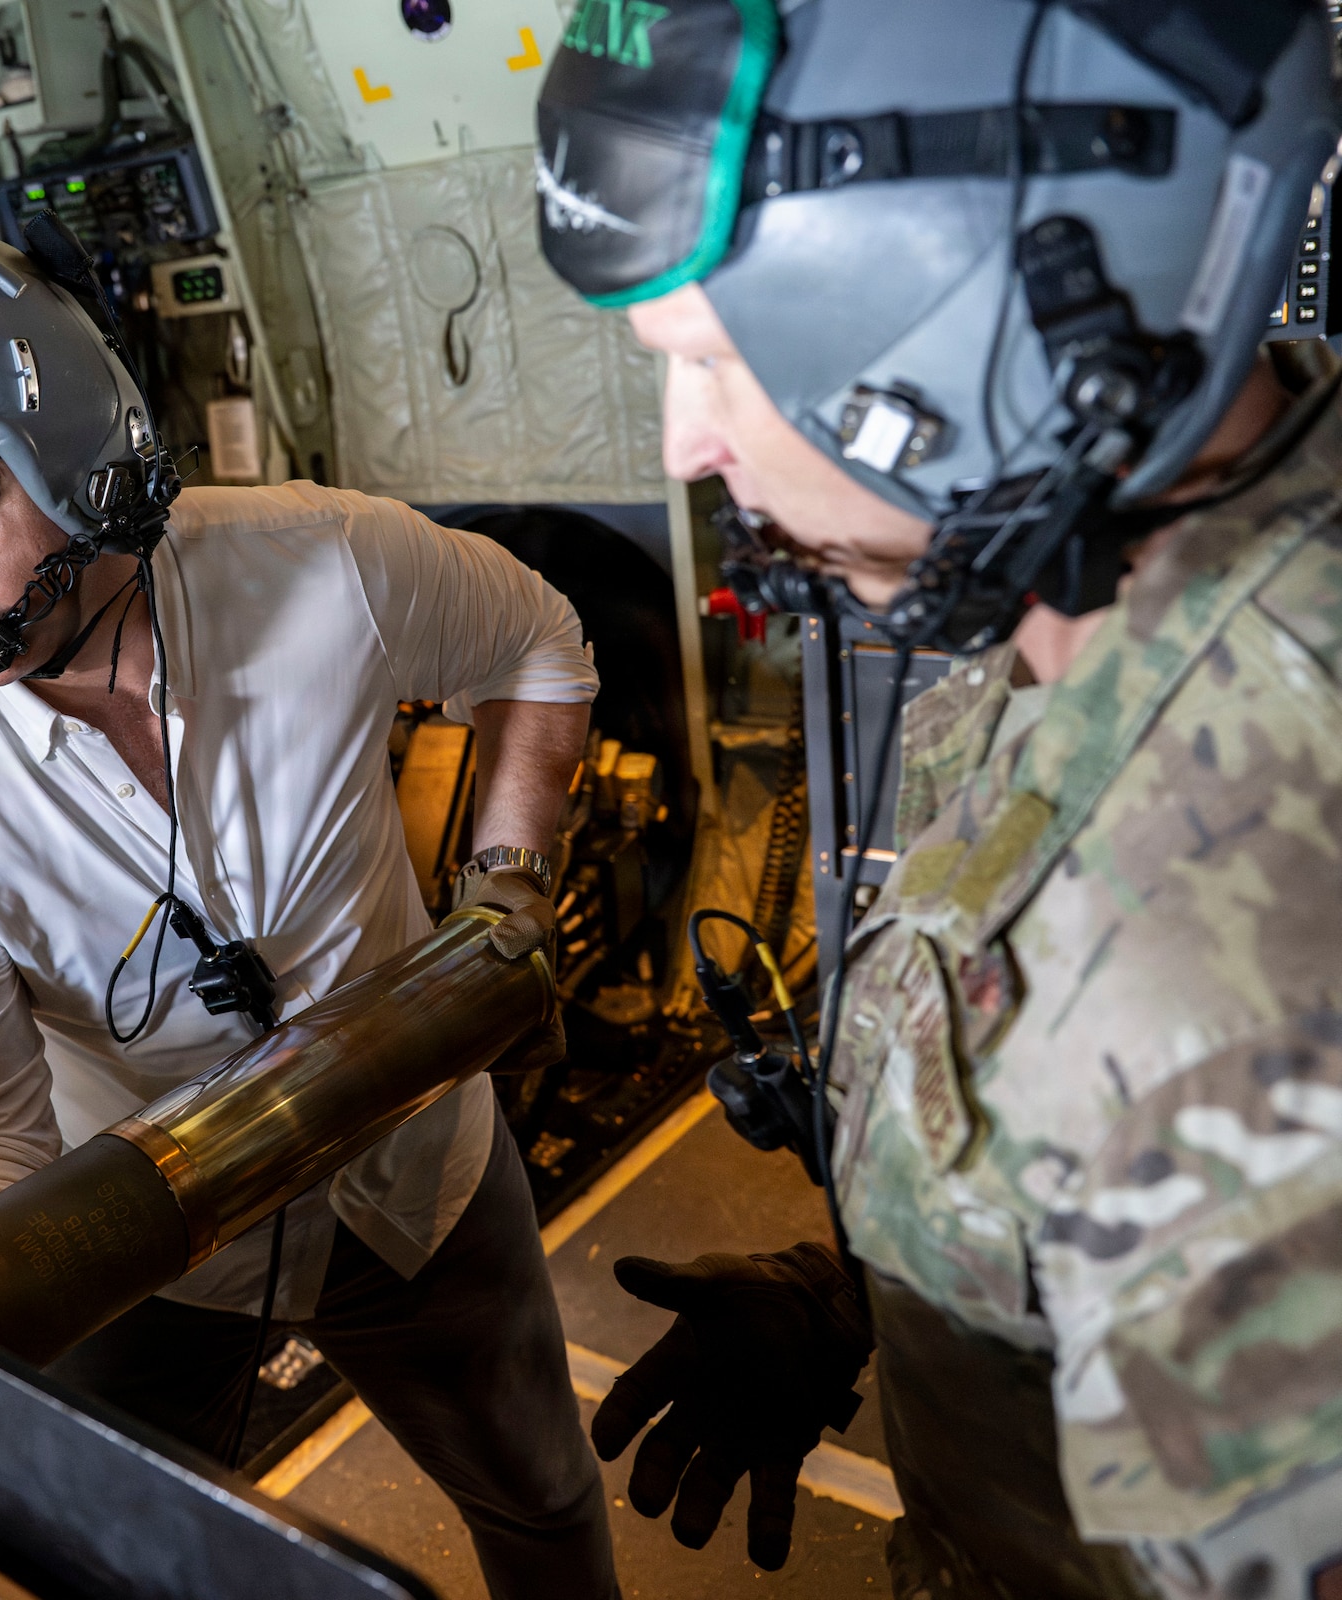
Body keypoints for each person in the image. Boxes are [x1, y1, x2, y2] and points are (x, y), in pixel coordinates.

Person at [536, 0, 1342, 1595]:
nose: (691, 446)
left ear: (963, 316)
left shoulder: (1227, 962)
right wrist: (879, 1298)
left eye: (709, 357)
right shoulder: (1064, 590)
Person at [0, 222, 618, 1600]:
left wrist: (504, 897)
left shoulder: (326, 565)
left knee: (542, 1505)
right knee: (91, 1567)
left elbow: (538, 643)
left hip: (419, 1176)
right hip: (144, 1244)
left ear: (73, 447)